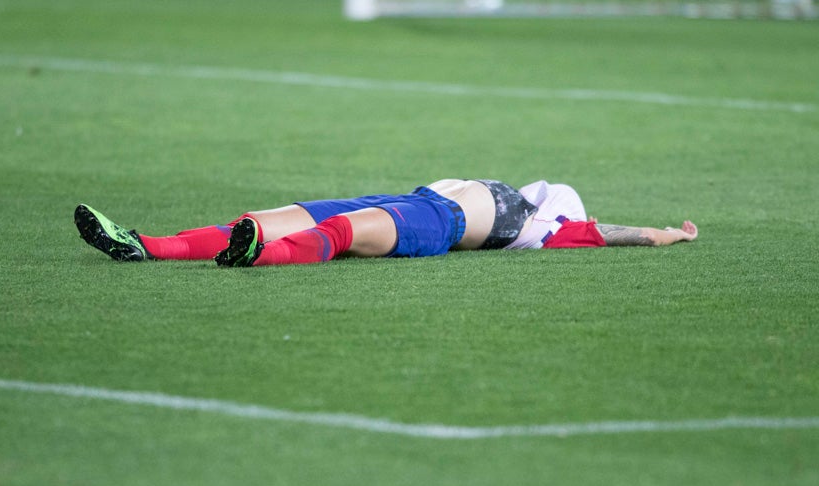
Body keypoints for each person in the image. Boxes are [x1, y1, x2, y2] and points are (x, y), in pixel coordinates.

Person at [74, 178, 698, 266]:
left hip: (439, 224)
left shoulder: (547, 227)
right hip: (412, 198)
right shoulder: (531, 207)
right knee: (266, 215)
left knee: (346, 235)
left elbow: (602, 232)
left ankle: (256, 255)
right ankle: (143, 245)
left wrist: (664, 234)